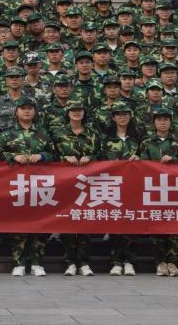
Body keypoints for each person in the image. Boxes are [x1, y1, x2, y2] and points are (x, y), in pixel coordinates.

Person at [0, 95, 54, 276]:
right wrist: (13, 157)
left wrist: (42, 156)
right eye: (23, 108)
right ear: (16, 112)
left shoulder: (43, 133)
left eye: (30, 108)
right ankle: (18, 261)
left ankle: (36, 262)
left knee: (40, 223)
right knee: (17, 223)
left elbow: (54, 154)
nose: (26, 111)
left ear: (35, 112)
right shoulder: (7, 134)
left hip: (39, 185)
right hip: (15, 185)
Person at [53, 100, 99, 276]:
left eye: (79, 110)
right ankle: (70, 261)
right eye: (73, 110)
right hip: (66, 183)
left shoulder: (92, 133)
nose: (76, 112)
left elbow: (102, 154)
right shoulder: (59, 134)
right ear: (67, 112)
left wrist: (91, 158)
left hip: (89, 183)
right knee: (68, 221)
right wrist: (64, 158)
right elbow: (51, 154)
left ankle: (84, 262)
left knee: (86, 221)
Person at [139, 107, 178, 276]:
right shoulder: (146, 142)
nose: (162, 122)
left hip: (175, 188)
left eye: (166, 119)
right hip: (154, 188)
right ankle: (160, 262)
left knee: (174, 225)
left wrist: (174, 159)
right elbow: (142, 165)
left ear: (171, 122)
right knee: (157, 225)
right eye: (159, 119)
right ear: (154, 122)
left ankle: (172, 261)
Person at [101, 102, 140, 275]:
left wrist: (139, 159)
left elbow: (148, 158)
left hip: (134, 186)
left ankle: (129, 261)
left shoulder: (138, 138)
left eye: (125, 114)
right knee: (115, 223)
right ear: (113, 117)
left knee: (131, 223)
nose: (122, 117)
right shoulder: (106, 139)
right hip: (113, 187)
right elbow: (99, 160)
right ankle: (116, 261)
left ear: (130, 116)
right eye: (118, 114)